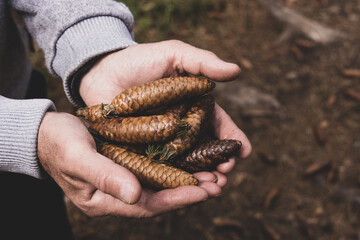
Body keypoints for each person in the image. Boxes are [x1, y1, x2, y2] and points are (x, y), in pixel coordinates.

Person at [0, 0, 252, 239]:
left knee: (40, 220)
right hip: (25, 130)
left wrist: (95, 50)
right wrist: (26, 135)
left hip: (20, 92)